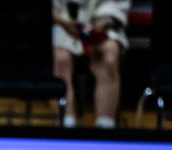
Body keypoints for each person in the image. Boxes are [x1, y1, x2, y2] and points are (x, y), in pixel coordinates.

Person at [52, 0, 129, 129]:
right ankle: (66, 122)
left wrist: (104, 21)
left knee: (108, 56)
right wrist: (60, 20)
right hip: (59, 24)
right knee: (60, 58)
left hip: (100, 24)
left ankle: (105, 125)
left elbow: (116, 4)